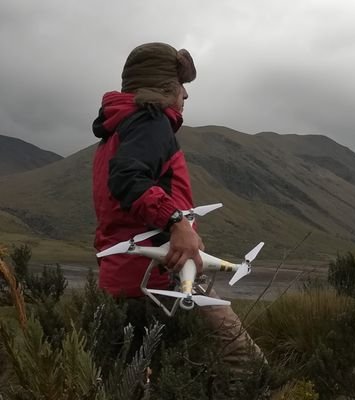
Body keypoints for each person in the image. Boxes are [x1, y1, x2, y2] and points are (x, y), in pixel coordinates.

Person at [92, 42, 268, 391]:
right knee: (248, 367)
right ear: (162, 88)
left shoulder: (117, 131)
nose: (185, 94)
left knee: (140, 381)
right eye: (179, 85)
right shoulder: (150, 122)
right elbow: (129, 178)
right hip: (164, 279)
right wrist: (177, 223)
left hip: (122, 282)